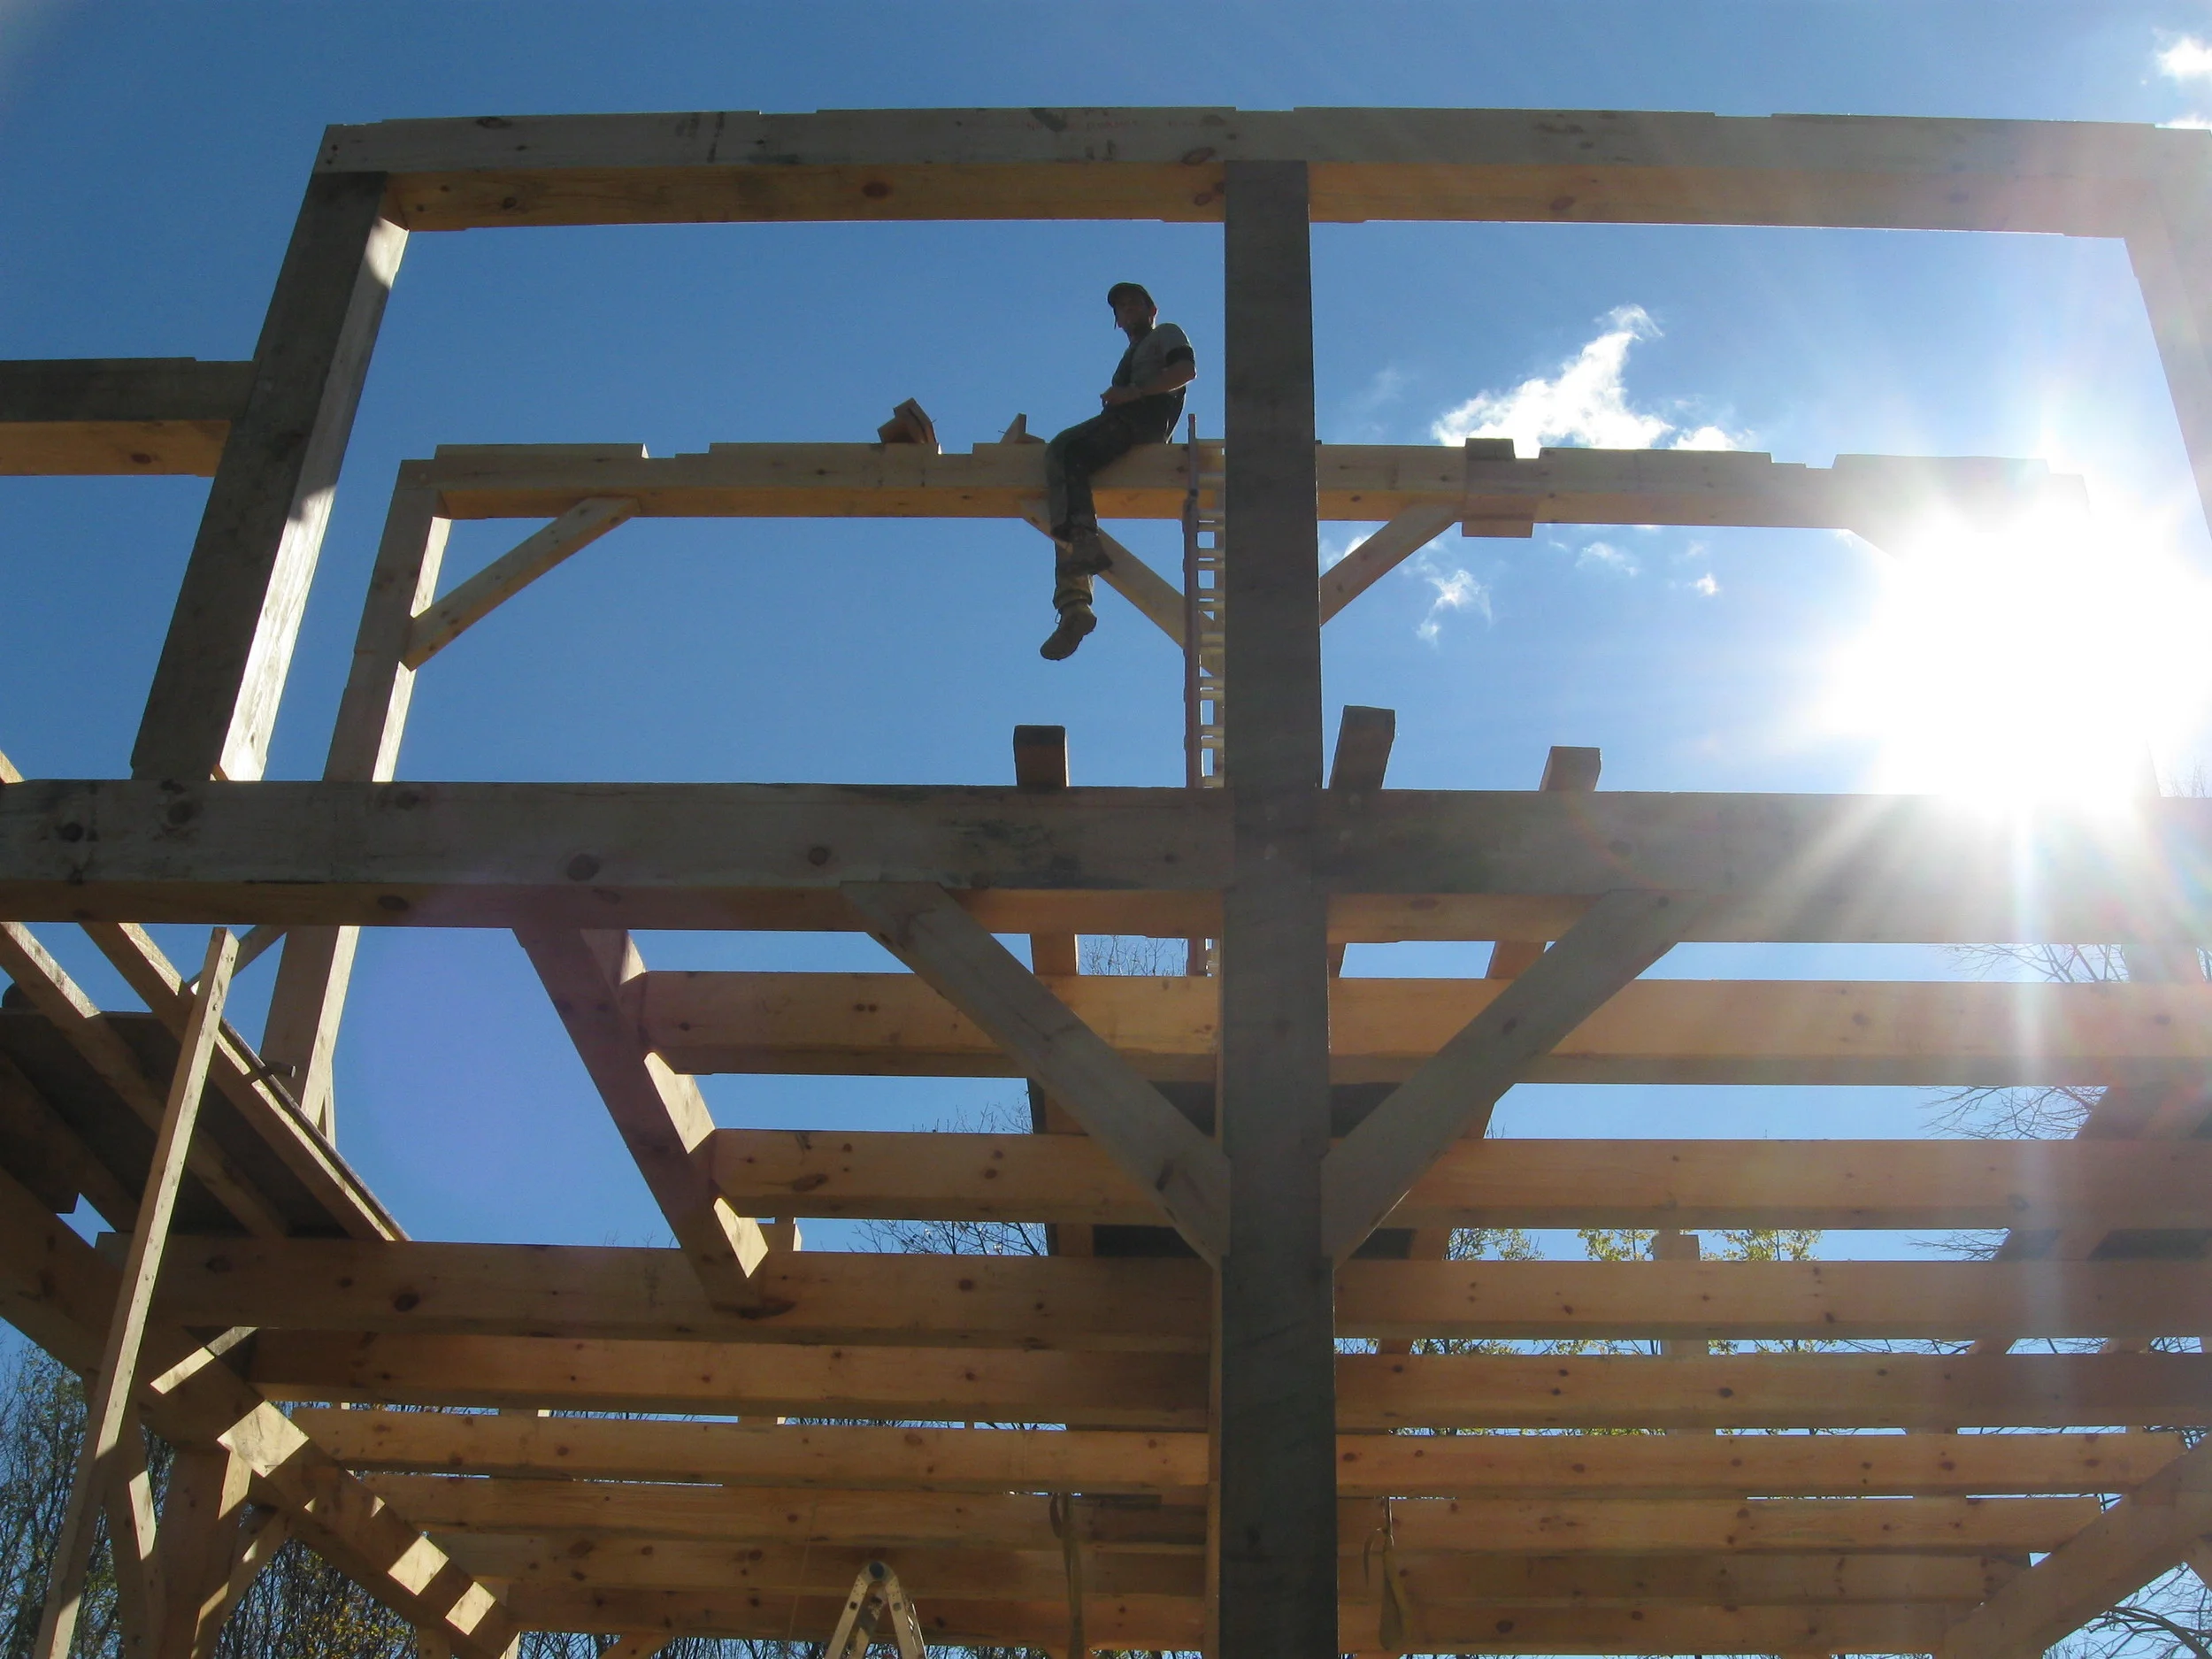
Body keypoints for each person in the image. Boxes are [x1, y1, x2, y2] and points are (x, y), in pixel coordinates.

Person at [1038, 282, 1197, 660]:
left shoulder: (1166, 334)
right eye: (1121, 308)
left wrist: (1136, 392)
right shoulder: (1131, 352)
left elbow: (1186, 369)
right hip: (1127, 422)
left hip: (1142, 422)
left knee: (1064, 448)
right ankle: (1075, 604)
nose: (1127, 312)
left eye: (1133, 305)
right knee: (1067, 490)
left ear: (1150, 309)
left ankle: (1083, 541)